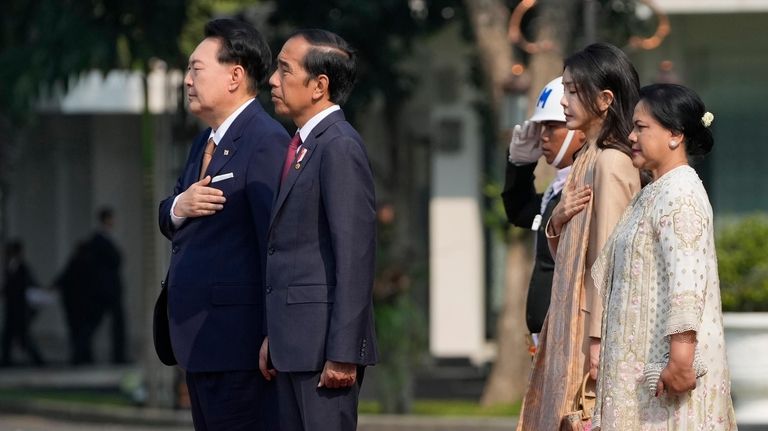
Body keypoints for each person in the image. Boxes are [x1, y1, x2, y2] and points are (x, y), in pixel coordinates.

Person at [157, 18, 288, 431]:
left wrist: (274, 335)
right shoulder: (204, 141)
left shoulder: (265, 140)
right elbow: (172, 211)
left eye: (197, 69)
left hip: (240, 348)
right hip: (200, 342)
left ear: (235, 76)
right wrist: (181, 203)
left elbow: (276, 245)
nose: (187, 81)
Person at [589, 84, 736, 430]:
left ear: (674, 135)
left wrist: (681, 362)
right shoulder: (655, 191)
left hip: (665, 380)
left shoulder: (681, 193)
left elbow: (686, 282)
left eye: (641, 127)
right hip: (640, 374)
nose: (631, 136)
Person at [516, 43, 642, 430]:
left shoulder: (611, 162)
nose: (564, 101)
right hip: (569, 319)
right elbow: (569, 247)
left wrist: (599, 340)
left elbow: (610, 261)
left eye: (572, 91)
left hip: (590, 331)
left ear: (605, 100)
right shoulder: (589, 154)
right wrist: (557, 220)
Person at [258, 29, 378, 431]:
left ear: (319, 86)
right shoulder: (305, 145)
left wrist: (344, 352)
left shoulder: (339, 146)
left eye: (284, 70)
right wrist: (276, 333)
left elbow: (355, 257)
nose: (273, 81)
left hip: (325, 355)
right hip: (295, 346)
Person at [501, 76, 586, 339]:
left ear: (582, 129)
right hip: (546, 338)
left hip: (569, 337)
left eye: (551, 127)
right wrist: (519, 166)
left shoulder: (585, 184)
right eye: (540, 128)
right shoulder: (559, 185)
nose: (543, 137)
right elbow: (522, 212)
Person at [86, 207, 126, 364]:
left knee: (110, 322)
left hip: (110, 288)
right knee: (96, 322)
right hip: (105, 289)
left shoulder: (106, 238)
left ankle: (118, 356)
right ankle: (82, 353)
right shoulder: (99, 240)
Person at [55, 240, 102, 365]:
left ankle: (80, 356)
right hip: (85, 307)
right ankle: (84, 356)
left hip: (75, 306)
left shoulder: (76, 263)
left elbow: (62, 279)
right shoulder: (90, 264)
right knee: (84, 334)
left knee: (78, 334)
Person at [1, 240, 45, 366]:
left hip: (20, 308)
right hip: (12, 308)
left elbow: (24, 286)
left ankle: (37, 360)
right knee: (9, 336)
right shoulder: (10, 267)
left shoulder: (22, 268)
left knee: (22, 336)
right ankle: (6, 360)